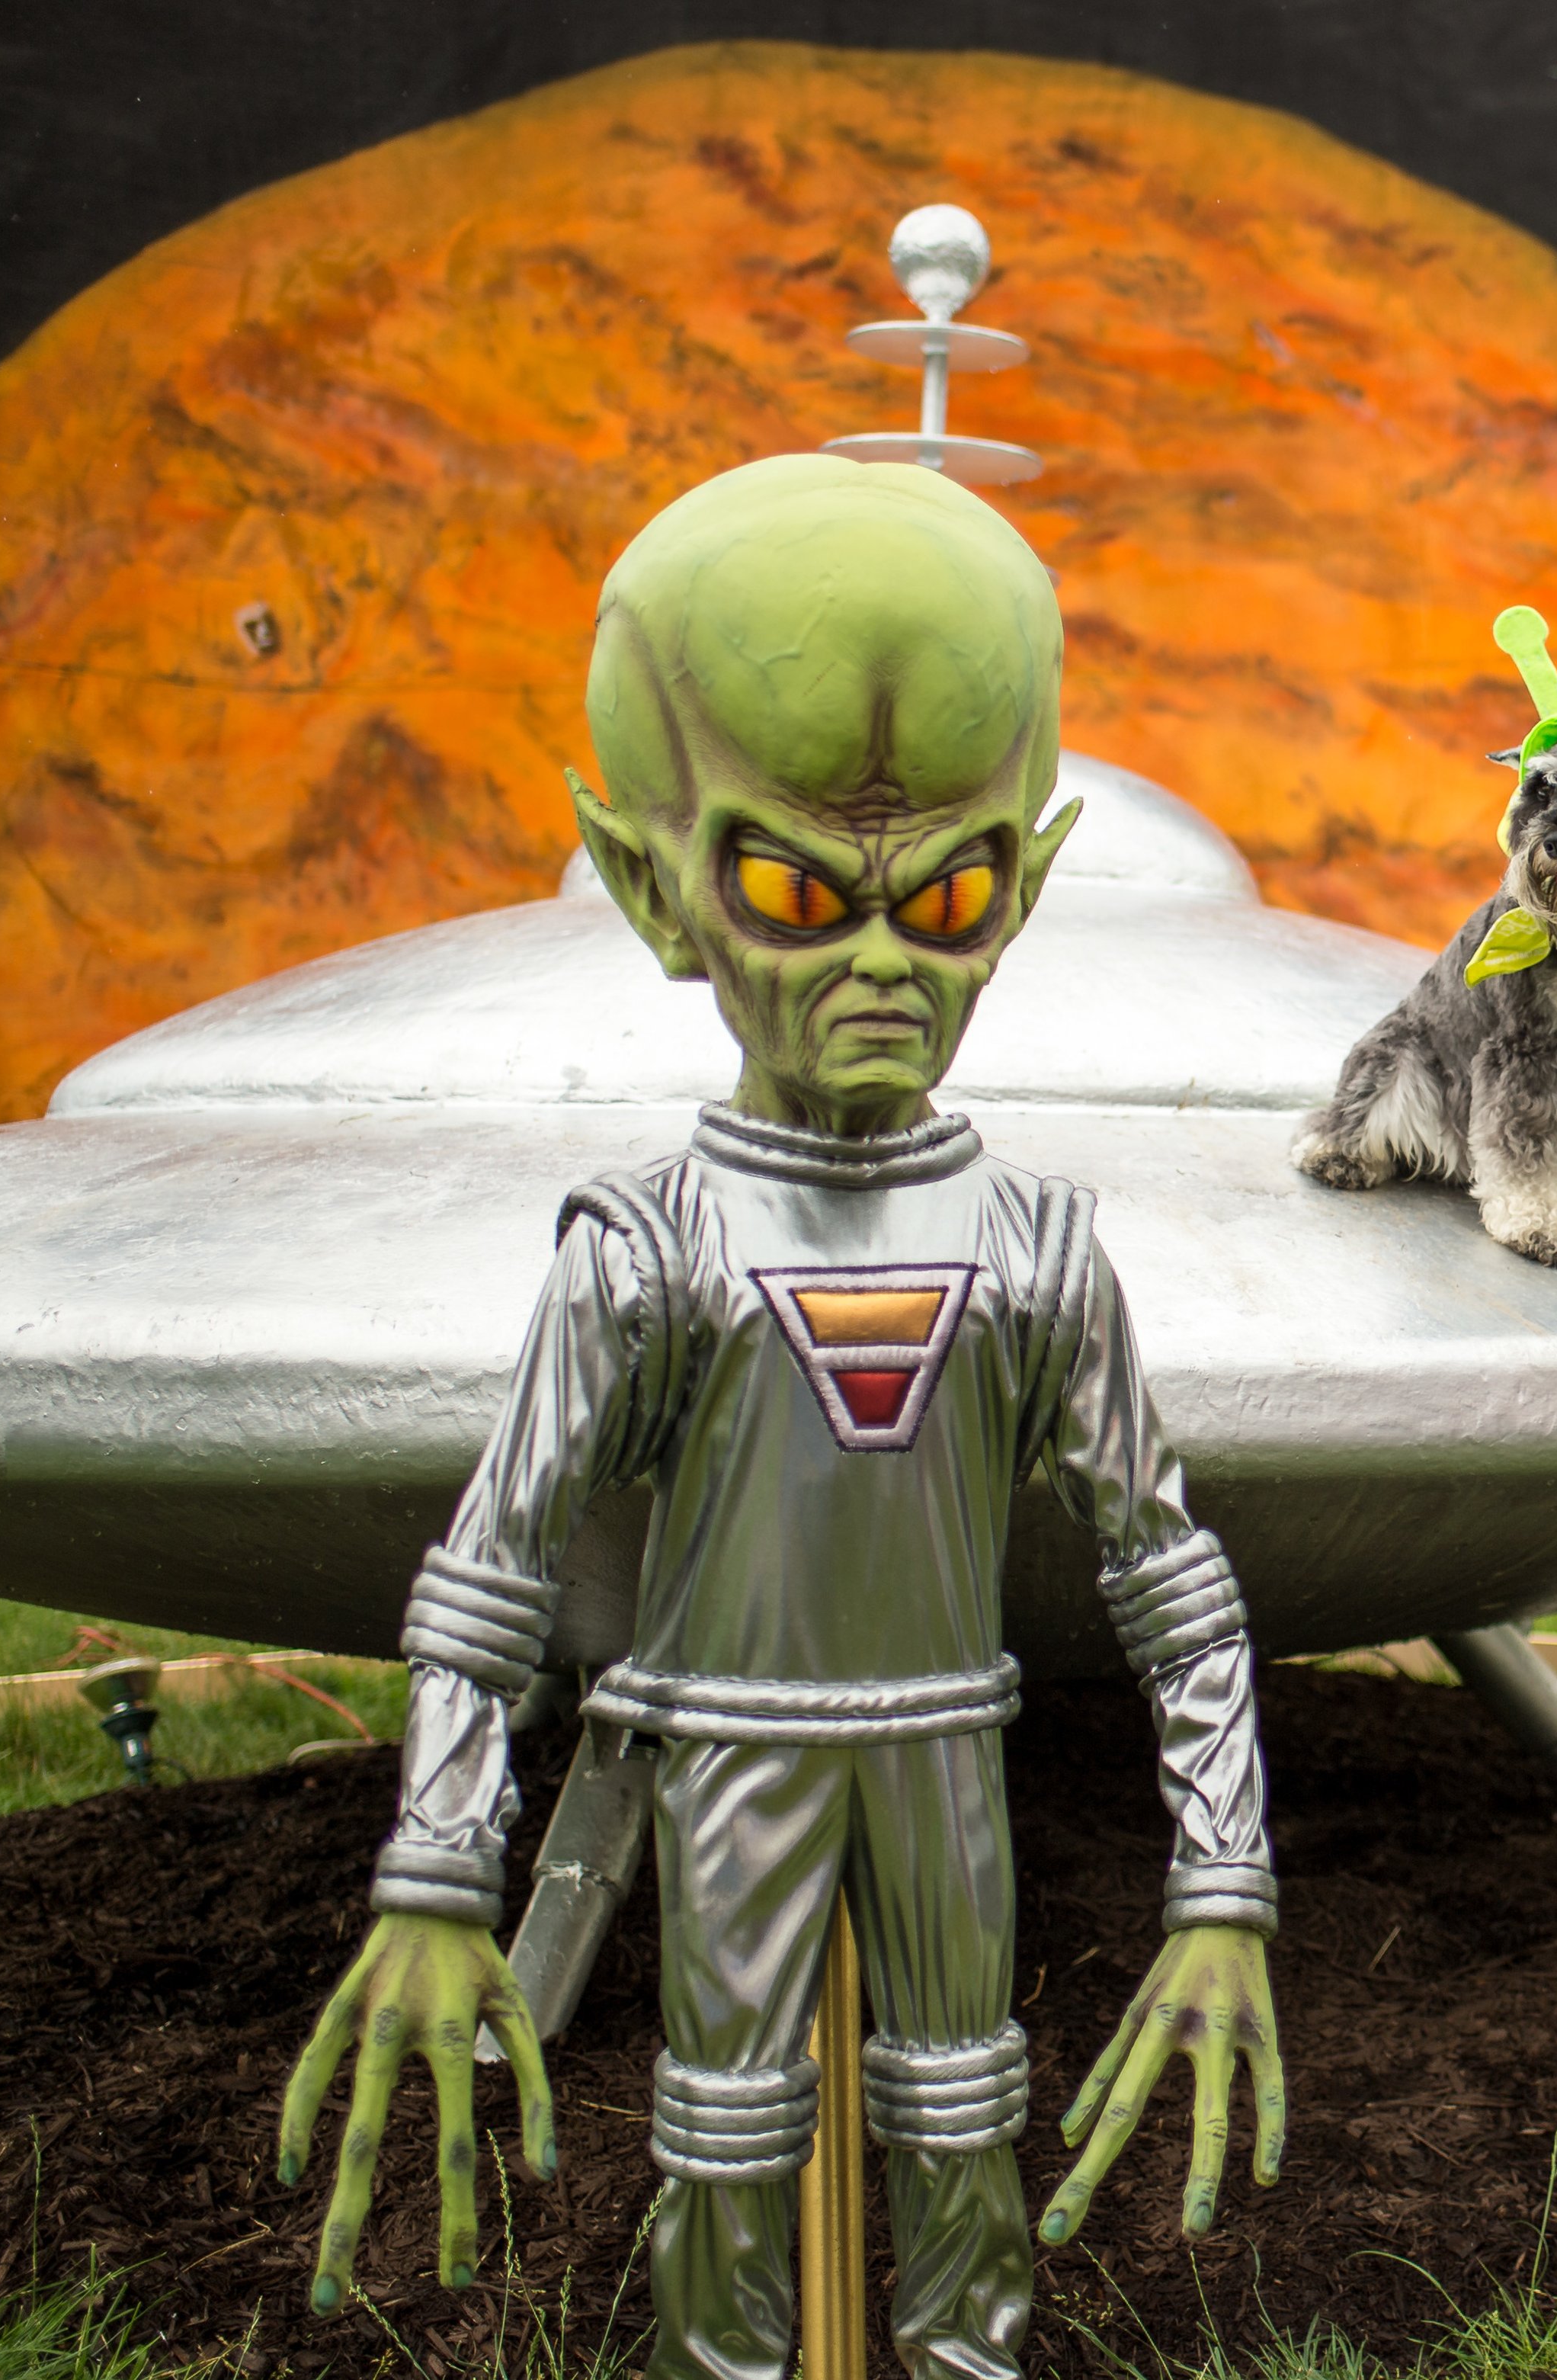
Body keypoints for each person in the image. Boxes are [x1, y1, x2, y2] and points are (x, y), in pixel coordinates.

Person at [280, 453, 1286, 2378]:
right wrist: (434, 1866)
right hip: (729, 1752)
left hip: (939, 1756)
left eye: (949, 891)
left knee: (963, 2114)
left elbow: (1166, 1571)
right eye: (793, 891)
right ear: (656, 892)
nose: (882, 963)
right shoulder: (642, 1245)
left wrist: (1220, 1882)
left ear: (1024, 890)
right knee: (723, 2141)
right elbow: (493, 1566)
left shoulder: (1035, 1243)